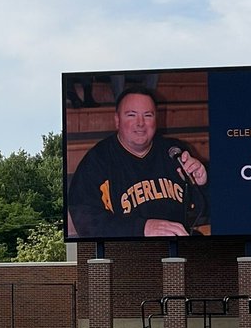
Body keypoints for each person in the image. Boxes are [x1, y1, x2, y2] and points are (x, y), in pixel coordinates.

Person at [67, 86, 209, 238]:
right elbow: (86, 221)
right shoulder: (97, 161)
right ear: (117, 120)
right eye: (131, 115)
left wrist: (203, 183)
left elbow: (204, 210)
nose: (140, 123)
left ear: (156, 120)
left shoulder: (174, 151)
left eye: (148, 115)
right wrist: (142, 229)